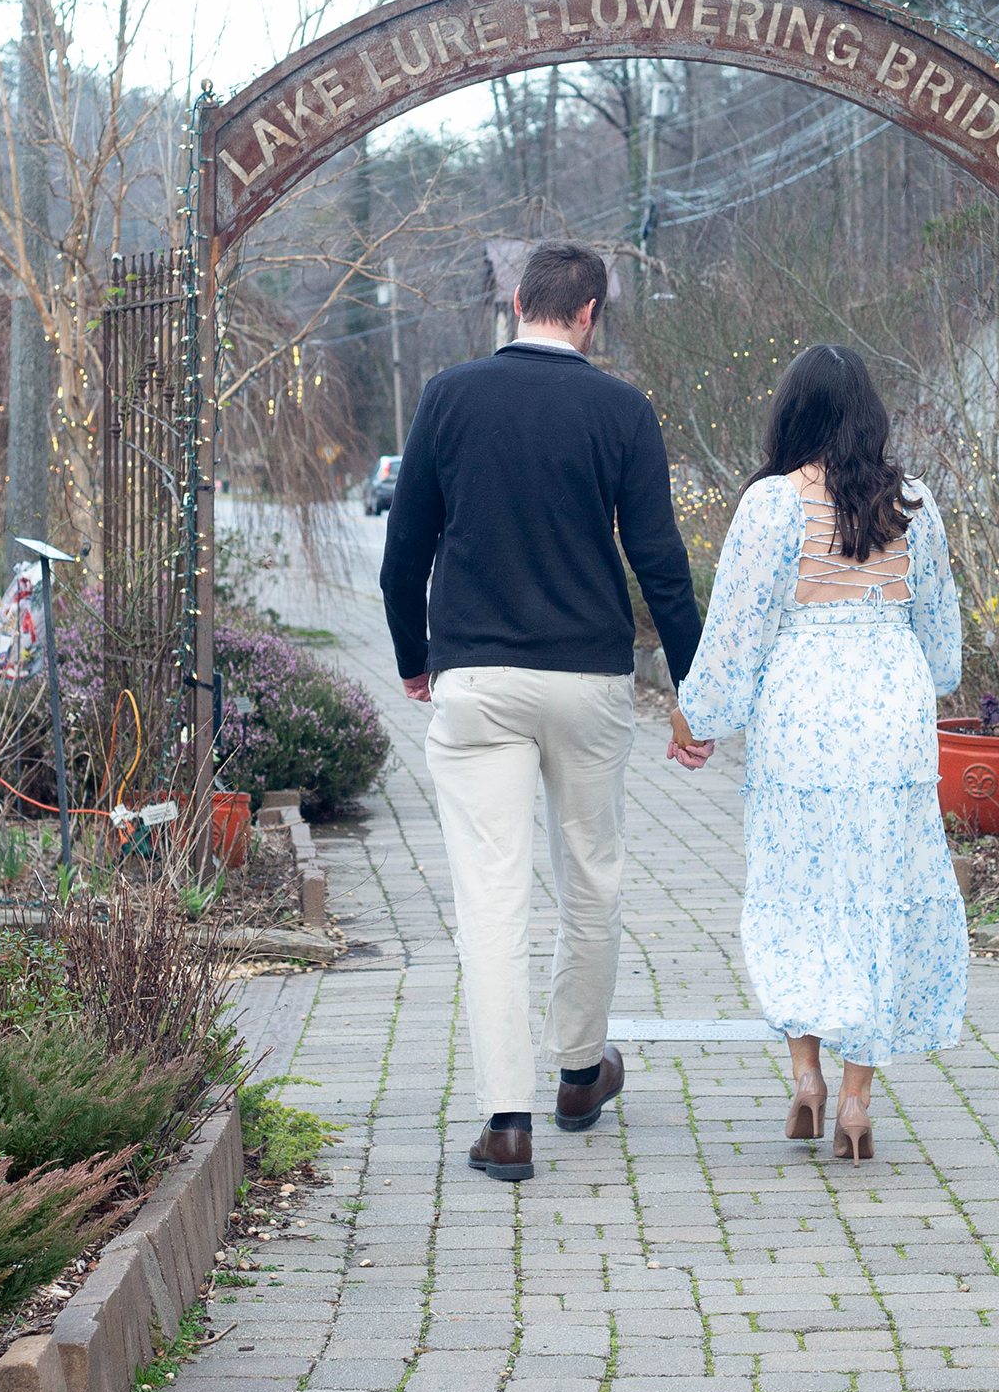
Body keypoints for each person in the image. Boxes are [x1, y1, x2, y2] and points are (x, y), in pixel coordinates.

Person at [380, 239, 704, 1185]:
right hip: (589, 681)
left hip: (476, 677)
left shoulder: (448, 395)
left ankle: (505, 1120)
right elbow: (661, 564)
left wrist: (412, 657)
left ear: (516, 302)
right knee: (590, 879)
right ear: (592, 315)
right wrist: (696, 691)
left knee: (490, 897)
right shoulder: (621, 410)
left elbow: (406, 549)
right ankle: (577, 1074)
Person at [673, 345, 965, 1163]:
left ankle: (804, 1078)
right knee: (879, 894)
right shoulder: (914, 505)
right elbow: (943, 644)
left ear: (792, 412)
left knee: (797, 889)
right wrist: (917, 675)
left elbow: (735, 633)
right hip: (891, 719)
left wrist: (695, 716)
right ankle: (857, 1100)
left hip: (801, 718)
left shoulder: (770, 506)